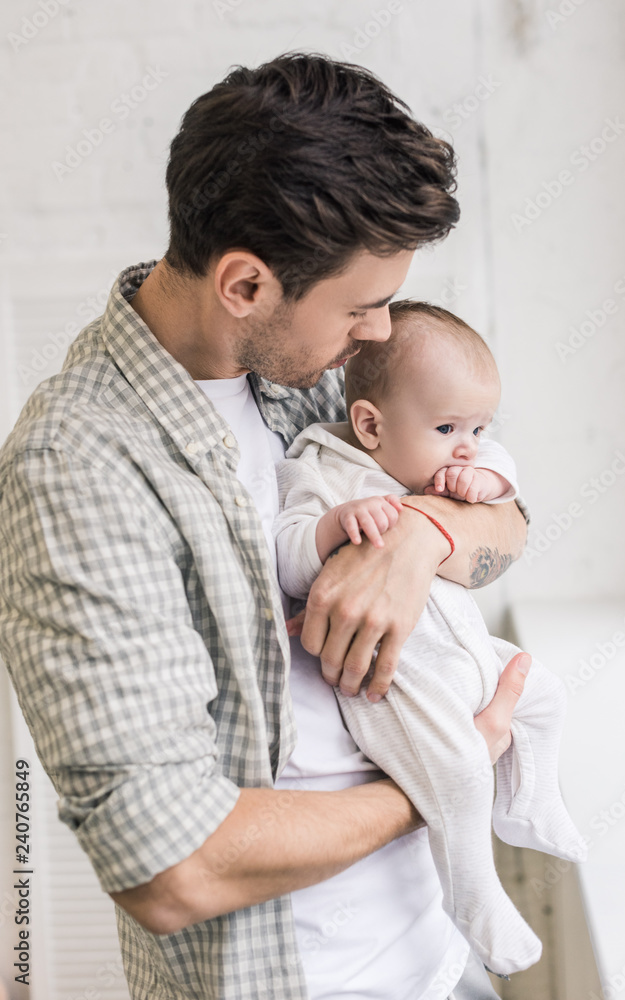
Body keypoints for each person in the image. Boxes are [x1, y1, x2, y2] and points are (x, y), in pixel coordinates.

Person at [0, 54, 531, 999]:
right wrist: (445, 775)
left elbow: (507, 518)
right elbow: (172, 867)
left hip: (443, 959)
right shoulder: (75, 471)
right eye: (362, 306)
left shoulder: (308, 367)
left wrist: (421, 543)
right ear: (244, 285)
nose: (379, 333)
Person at [273, 300, 588, 977]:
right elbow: (289, 554)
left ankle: (529, 798)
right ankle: (476, 896)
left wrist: (486, 480)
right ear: (370, 426)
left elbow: (506, 494)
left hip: (464, 650)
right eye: (449, 428)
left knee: (543, 692)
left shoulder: (455, 457)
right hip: (396, 680)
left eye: (479, 426)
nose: (467, 444)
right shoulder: (321, 469)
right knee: (460, 767)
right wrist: (336, 527)